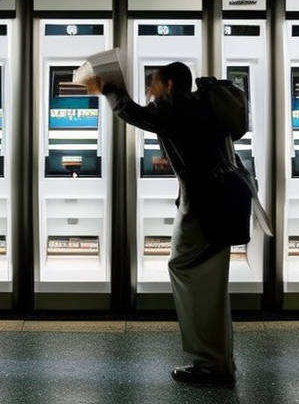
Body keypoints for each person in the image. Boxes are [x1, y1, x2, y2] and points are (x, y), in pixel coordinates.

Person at [84, 61, 253, 387]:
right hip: (221, 200)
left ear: (171, 85)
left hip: (206, 207)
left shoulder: (178, 105)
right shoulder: (202, 106)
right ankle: (219, 361)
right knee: (205, 281)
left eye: (154, 84)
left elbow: (134, 113)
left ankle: (212, 365)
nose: (150, 91)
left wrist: (109, 87)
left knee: (194, 277)